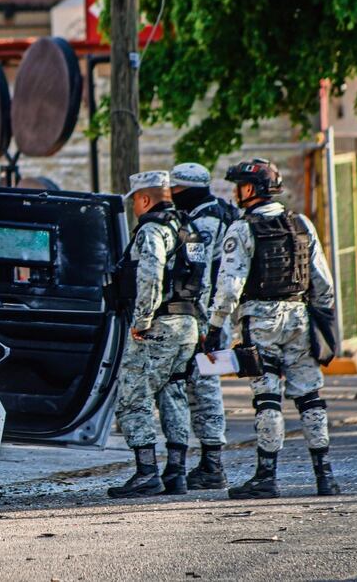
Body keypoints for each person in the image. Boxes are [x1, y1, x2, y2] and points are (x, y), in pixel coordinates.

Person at [203, 158, 340, 498]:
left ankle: (266, 477)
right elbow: (323, 282)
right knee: (311, 397)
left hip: (260, 321)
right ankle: (325, 477)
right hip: (300, 317)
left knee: (267, 398)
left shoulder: (242, 228)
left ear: (250, 189)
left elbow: (230, 288)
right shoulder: (302, 224)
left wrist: (214, 327)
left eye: (239, 186)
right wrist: (323, 323)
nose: (236, 192)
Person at [109, 171, 209, 498]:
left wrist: (141, 319)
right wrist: (204, 326)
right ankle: (176, 472)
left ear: (145, 199)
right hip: (188, 325)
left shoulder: (151, 230)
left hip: (159, 326)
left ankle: (146, 472)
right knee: (173, 392)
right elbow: (202, 280)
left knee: (133, 395)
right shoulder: (188, 229)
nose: (135, 207)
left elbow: (150, 276)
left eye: (136, 200)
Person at [156, 163, 238, 490]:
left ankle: (212, 463)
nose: (172, 197)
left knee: (203, 389)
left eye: (175, 191)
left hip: (205, 317)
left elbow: (199, 276)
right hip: (215, 316)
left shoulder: (205, 220)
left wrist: (203, 324)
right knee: (199, 386)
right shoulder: (223, 212)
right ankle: (208, 461)